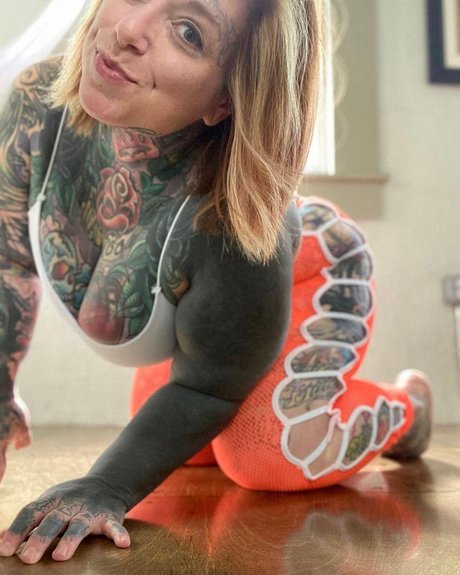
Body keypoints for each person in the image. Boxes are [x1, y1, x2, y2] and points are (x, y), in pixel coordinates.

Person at [0, 0, 431, 565]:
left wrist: (104, 486)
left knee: (260, 456)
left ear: (226, 98)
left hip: (306, 269)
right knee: (187, 449)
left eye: (187, 32)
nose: (129, 29)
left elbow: (208, 388)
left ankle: (407, 409)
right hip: (217, 309)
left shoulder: (232, 225)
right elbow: (9, 262)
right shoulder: (36, 101)